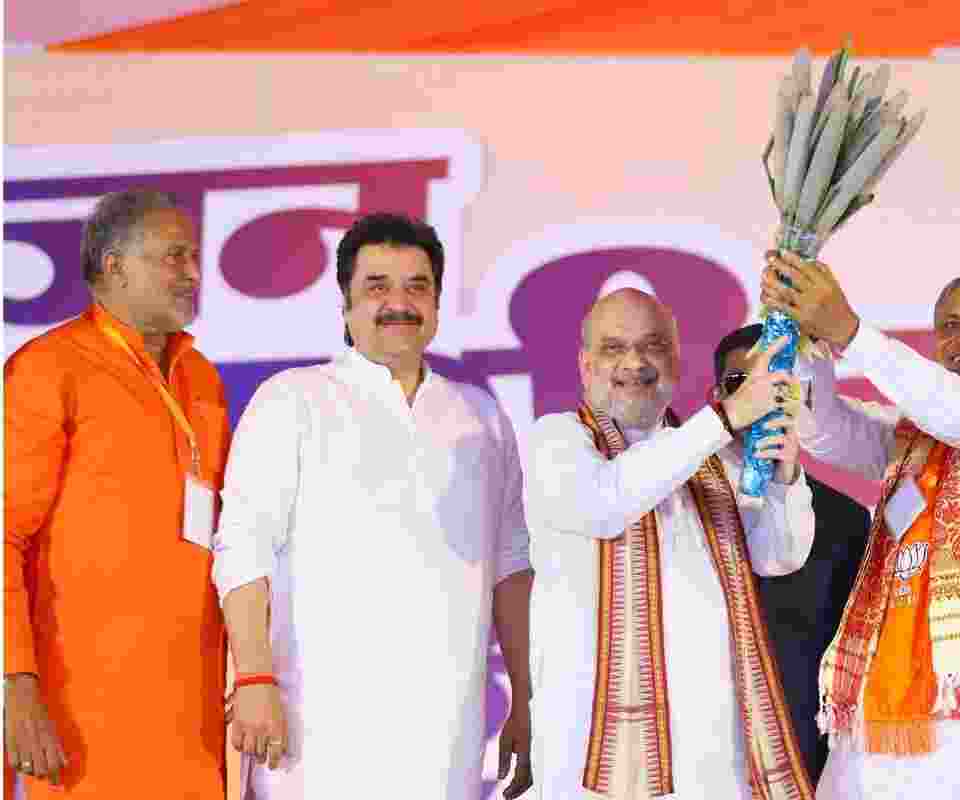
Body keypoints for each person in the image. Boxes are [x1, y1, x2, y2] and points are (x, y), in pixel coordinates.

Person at [210, 213, 534, 800]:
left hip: (446, 738)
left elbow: (511, 565)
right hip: (315, 734)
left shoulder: (480, 416)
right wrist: (253, 677)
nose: (399, 303)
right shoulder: (293, 399)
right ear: (345, 305)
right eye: (377, 286)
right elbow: (242, 544)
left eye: (417, 286)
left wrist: (525, 699)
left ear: (437, 303)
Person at [760, 261, 960, 798]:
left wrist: (851, 333)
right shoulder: (909, 438)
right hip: (892, 712)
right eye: (951, 326)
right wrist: (807, 343)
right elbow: (823, 429)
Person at [525, 288, 817, 800]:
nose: (634, 362)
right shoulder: (557, 441)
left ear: (676, 362)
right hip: (595, 763)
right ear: (584, 364)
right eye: (614, 348)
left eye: (652, 345)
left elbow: (778, 554)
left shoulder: (710, 454)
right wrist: (724, 418)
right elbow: (605, 504)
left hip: (711, 761)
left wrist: (784, 475)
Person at [4, 189, 229, 797]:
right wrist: (15, 681)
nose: (192, 274)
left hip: (194, 720)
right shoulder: (48, 369)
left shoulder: (201, 377)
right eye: (173, 257)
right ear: (114, 265)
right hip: (82, 719)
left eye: (193, 257)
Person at [712, 323, 874, 782]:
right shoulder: (674, 499)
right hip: (698, 758)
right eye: (739, 383)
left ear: (798, 395)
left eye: (773, 384)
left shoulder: (844, 520)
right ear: (716, 396)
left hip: (800, 759)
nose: (756, 400)